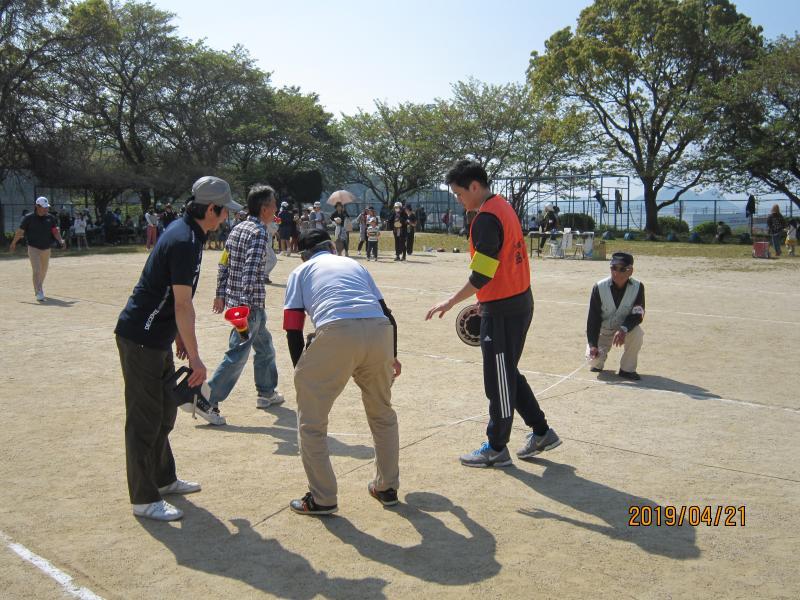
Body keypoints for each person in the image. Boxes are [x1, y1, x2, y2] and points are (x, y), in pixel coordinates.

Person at [114, 175, 240, 521]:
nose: (227, 216)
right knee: (144, 420)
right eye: (224, 211)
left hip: (157, 336)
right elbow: (183, 304)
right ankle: (143, 498)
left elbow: (171, 297)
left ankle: (163, 478)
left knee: (166, 409)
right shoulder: (185, 240)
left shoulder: (191, 235)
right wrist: (197, 358)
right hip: (141, 337)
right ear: (210, 209)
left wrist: (178, 336)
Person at [426, 159, 561, 468]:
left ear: (475, 186)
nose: (458, 200)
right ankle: (541, 431)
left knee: (497, 380)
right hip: (516, 301)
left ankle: (497, 447)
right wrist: (483, 301)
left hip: (503, 310)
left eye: (459, 194)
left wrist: (451, 301)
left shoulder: (485, 218)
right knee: (506, 373)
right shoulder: (503, 205)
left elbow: (483, 273)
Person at [283, 229, 401, 515]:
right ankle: (386, 486)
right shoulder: (354, 265)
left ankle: (322, 498)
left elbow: (293, 327)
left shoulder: (301, 271)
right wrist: (392, 355)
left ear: (304, 254)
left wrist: (302, 369)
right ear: (332, 248)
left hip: (336, 331)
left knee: (311, 423)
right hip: (378, 332)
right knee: (382, 413)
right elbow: (388, 314)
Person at [203, 184, 284, 426]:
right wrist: (247, 310)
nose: (276, 208)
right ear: (264, 208)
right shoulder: (259, 233)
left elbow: (223, 262)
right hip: (249, 306)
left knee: (265, 347)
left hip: (238, 302)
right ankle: (207, 398)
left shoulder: (237, 229)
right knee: (237, 353)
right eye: (274, 204)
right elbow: (250, 271)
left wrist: (221, 294)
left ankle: (266, 391)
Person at [586, 252, 645, 381]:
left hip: (625, 328)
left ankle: (627, 369)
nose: (616, 273)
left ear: (630, 271)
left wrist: (624, 328)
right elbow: (593, 319)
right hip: (603, 330)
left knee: (638, 333)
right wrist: (593, 345)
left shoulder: (638, 287)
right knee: (594, 362)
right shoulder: (599, 287)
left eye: (622, 269)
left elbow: (638, 315)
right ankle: (600, 359)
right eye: (613, 268)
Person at [9, 197, 67, 301]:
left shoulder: (50, 218)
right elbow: (20, 232)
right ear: (37, 206)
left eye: (47, 207)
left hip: (46, 248)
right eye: (44, 207)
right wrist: (14, 243)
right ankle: (39, 291)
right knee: (36, 270)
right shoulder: (28, 218)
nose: (46, 209)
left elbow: (55, 231)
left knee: (43, 271)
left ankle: (39, 286)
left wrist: (60, 240)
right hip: (33, 248)